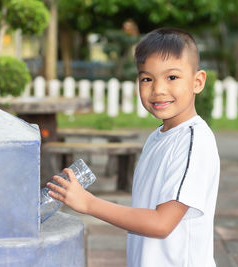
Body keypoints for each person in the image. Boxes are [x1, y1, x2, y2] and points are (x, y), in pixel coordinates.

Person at [47, 27, 220, 267]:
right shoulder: (157, 138)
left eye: (172, 77)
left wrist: (89, 203)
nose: (158, 89)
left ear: (197, 82)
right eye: (147, 79)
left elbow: (161, 223)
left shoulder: (194, 141)